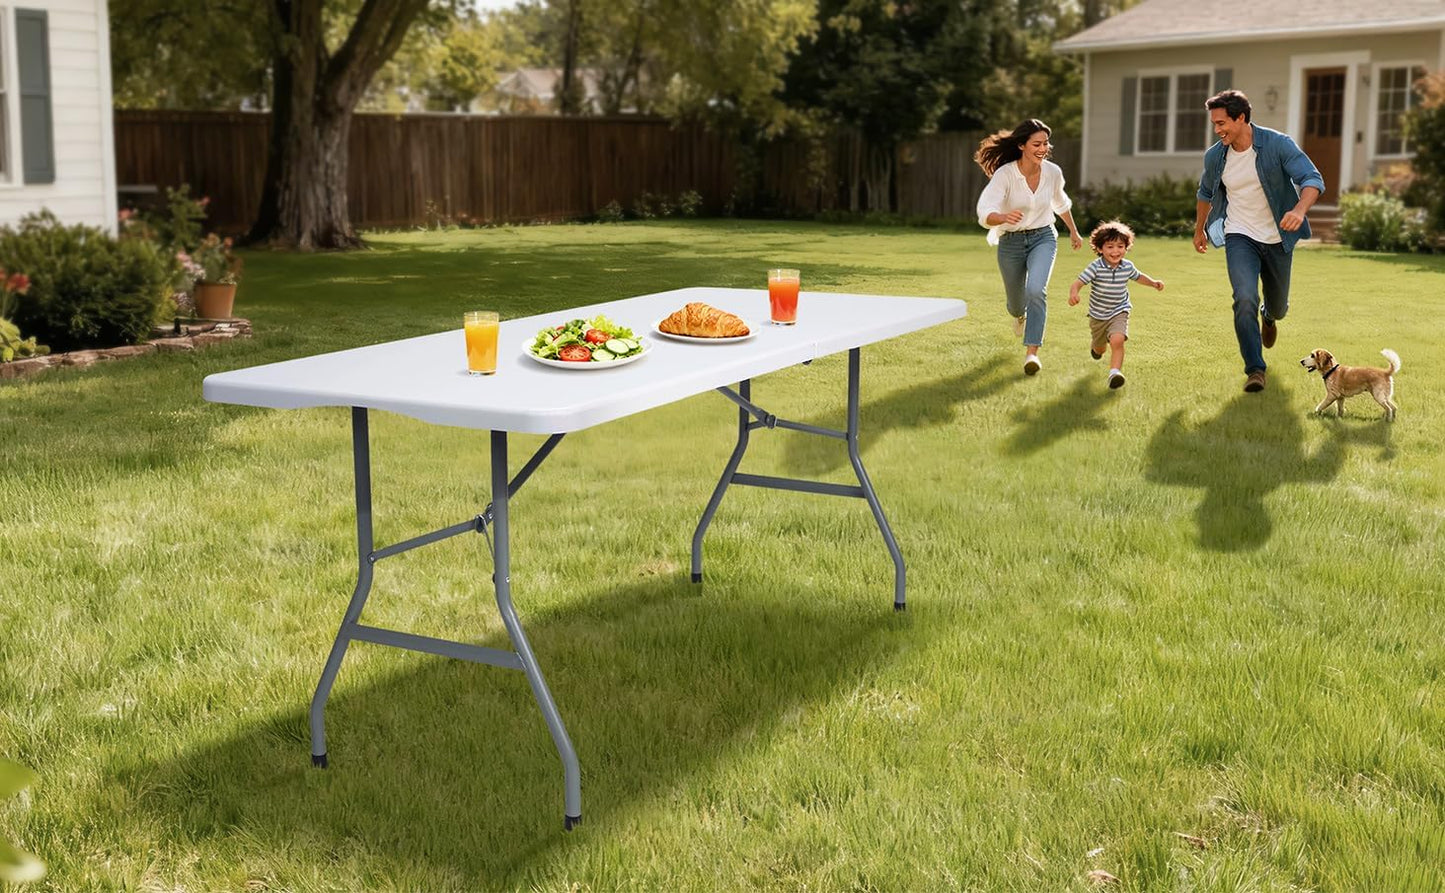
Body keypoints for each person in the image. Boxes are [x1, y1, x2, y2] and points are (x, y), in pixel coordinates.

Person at [1194, 89, 1324, 393]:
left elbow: (1312, 179)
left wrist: (1298, 209)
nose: (1217, 130)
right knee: (1244, 297)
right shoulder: (1216, 156)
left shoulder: (1277, 144)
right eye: (1214, 124)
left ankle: (1269, 316)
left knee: (1278, 308)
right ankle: (1255, 369)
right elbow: (1204, 193)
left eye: (1222, 123)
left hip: (1277, 237)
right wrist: (1199, 229)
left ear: (1241, 118)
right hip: (1240, 234)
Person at [975, 119, 1083, 376]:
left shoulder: (1053, 172)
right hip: (1011, 242)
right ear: (1022, 145)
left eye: (1046, 143)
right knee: (1015, 303)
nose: (1043, 148)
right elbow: (984, 210)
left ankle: (1032, 353)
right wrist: (1002, 218)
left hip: (1043, 238)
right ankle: (1018, 315)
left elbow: (1061, 203)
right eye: (1037, 144)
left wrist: (1074, 232)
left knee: (1036, 290)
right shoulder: (1006, 174)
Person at [1068, 220, 1164, 390]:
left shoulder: (1127, 266)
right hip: (1098, 315)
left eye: (1120, 246)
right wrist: (1074, 293)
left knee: (1118, 340)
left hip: (1119, 310)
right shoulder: (1095, 267)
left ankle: (1114, 373)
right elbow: (1078, 282)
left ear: (1126, 247)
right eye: (1110, 246)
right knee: (1100, 348)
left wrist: (1153, 283)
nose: (1115, 251)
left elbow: (1139, 276)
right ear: (1099, 249)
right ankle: (1096, 349)